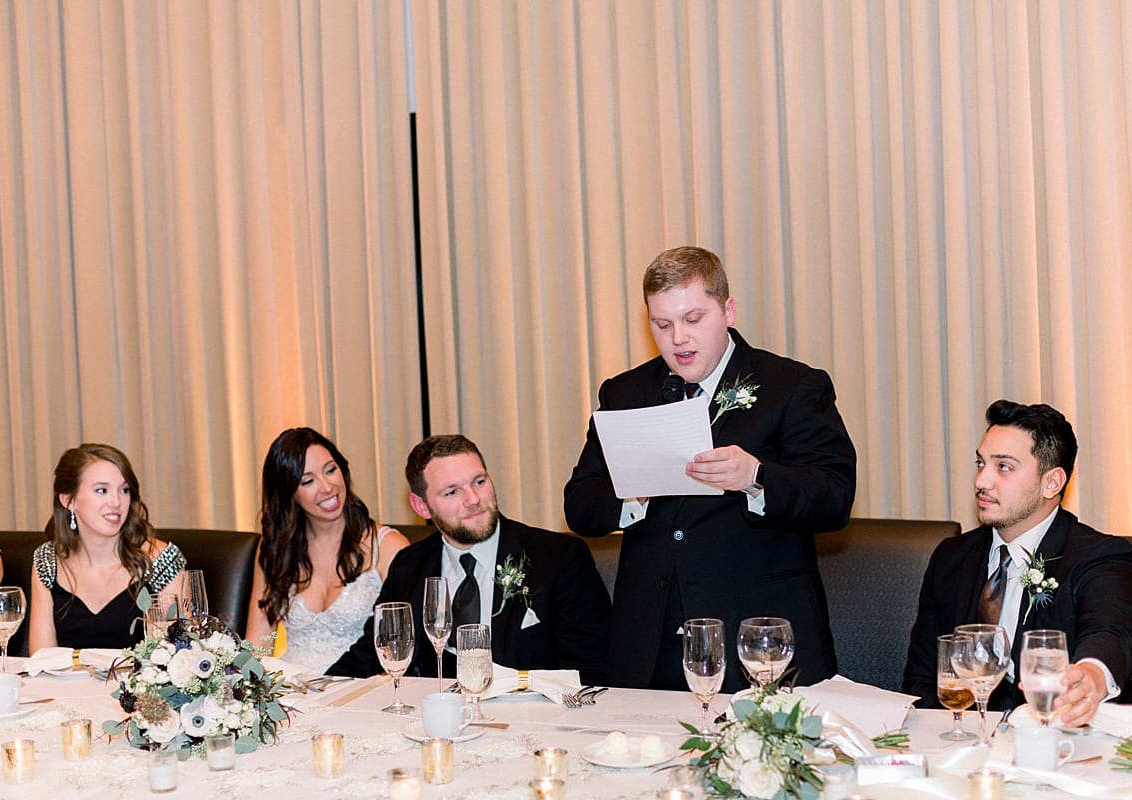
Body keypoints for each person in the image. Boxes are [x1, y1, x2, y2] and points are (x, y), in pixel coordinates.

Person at [564, 246, 857, 692]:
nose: (678, 338)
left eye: (693, 319)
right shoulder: (624, 392)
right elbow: (579, 505)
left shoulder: (792, 387)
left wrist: (757, 477)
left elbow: (834, 497)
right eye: (662, 325)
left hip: (757, 642)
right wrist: (631, 496)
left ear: (728, 311)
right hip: (651, 645)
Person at [903, 400, 1132, 726]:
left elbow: (1112, 632)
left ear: (1052, 483)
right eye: (981, 463)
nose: (981, 481)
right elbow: (922, 678)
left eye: (1003, 467)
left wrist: (1091, 675)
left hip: (1074, 745)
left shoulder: (1101, 556)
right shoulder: (951, 557)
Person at [328, 434, 612, 682]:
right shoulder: (409, 564)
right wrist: (312, 692)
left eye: (479, 481)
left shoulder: (558, 558)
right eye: (452, 492)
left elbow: (589, 669)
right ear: (421, 505)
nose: (473, 499)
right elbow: (375, 650)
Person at [245, 427, 409, 673]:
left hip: (363, 692)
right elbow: (258, 648)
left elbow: (402, 646)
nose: (327, 486)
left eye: (331, 470)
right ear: (289, 494)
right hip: (294, 695)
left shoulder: (388, 547)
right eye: (308, 481)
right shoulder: (275, 549)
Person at [30, 443, 186, 651]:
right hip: (67, 685)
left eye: (124, 490)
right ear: (68, 500)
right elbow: (42, 659)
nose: (116, 501)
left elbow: (177, 657)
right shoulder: (47, 561)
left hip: (137, 684)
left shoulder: (161, 560)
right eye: (101, 490)